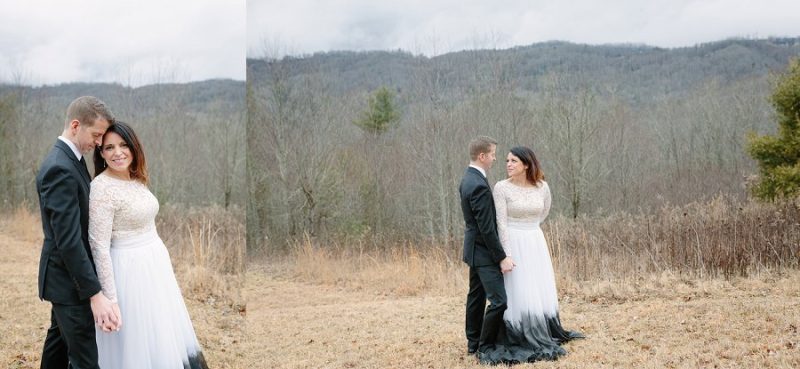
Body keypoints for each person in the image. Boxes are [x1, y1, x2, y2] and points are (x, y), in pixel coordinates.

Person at [88, 121, 208, 368]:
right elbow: (98, 245)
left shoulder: (135, 178)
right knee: (138, 337)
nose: (117, 152)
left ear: (134, 147)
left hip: (155, 265)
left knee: (160, 331)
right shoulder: (101, 187)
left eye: (123, 145)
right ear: (101, 153)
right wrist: (109, 299)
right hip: (129, 271)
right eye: (109, 148)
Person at [36, 96, 119, 369]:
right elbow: (69, 241)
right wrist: (94, 294)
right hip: (68, 283)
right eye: (96, 135)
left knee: (57, 348)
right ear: (75, 125)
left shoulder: (73, 160)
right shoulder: (60, 168)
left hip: (65, 281)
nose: (98, 142)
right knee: (84, 360)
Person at [488, 146, 584, 364]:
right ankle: (519, 331)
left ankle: (543, 327)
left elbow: (544, 212)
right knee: (519, 287)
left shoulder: (542, 187)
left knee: (537, 285)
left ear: (526, 164)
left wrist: (530, 229)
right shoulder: (501, 188)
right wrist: (506, 255)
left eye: (513, 161)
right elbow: (500, 223)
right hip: (512, 240)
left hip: (535, 240)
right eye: (506, 161)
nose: (508, 165)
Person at [459, 136, 516, 359]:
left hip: (473, 249)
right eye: (492, 154)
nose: (494, 158)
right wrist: (501, 256)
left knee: (476, 296)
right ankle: (485, 345)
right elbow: (487, 228)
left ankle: (472, 343)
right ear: (482, 156)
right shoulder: (479, 185)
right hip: (483, 252)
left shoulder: (468, 178)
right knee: (499, 301)